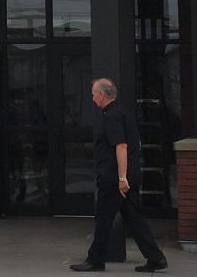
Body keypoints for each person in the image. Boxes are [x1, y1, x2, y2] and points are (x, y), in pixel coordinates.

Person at [69, 78, 168, 273]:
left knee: (104, 218)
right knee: (134, 218)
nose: (92, 98)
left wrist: (122, 178)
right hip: (126, 176)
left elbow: (121, 146)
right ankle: (156, 258)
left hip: (114, 178)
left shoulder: (113, 116)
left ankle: (95, 260)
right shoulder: (123, 113)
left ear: (102, 95)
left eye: (93, 94)